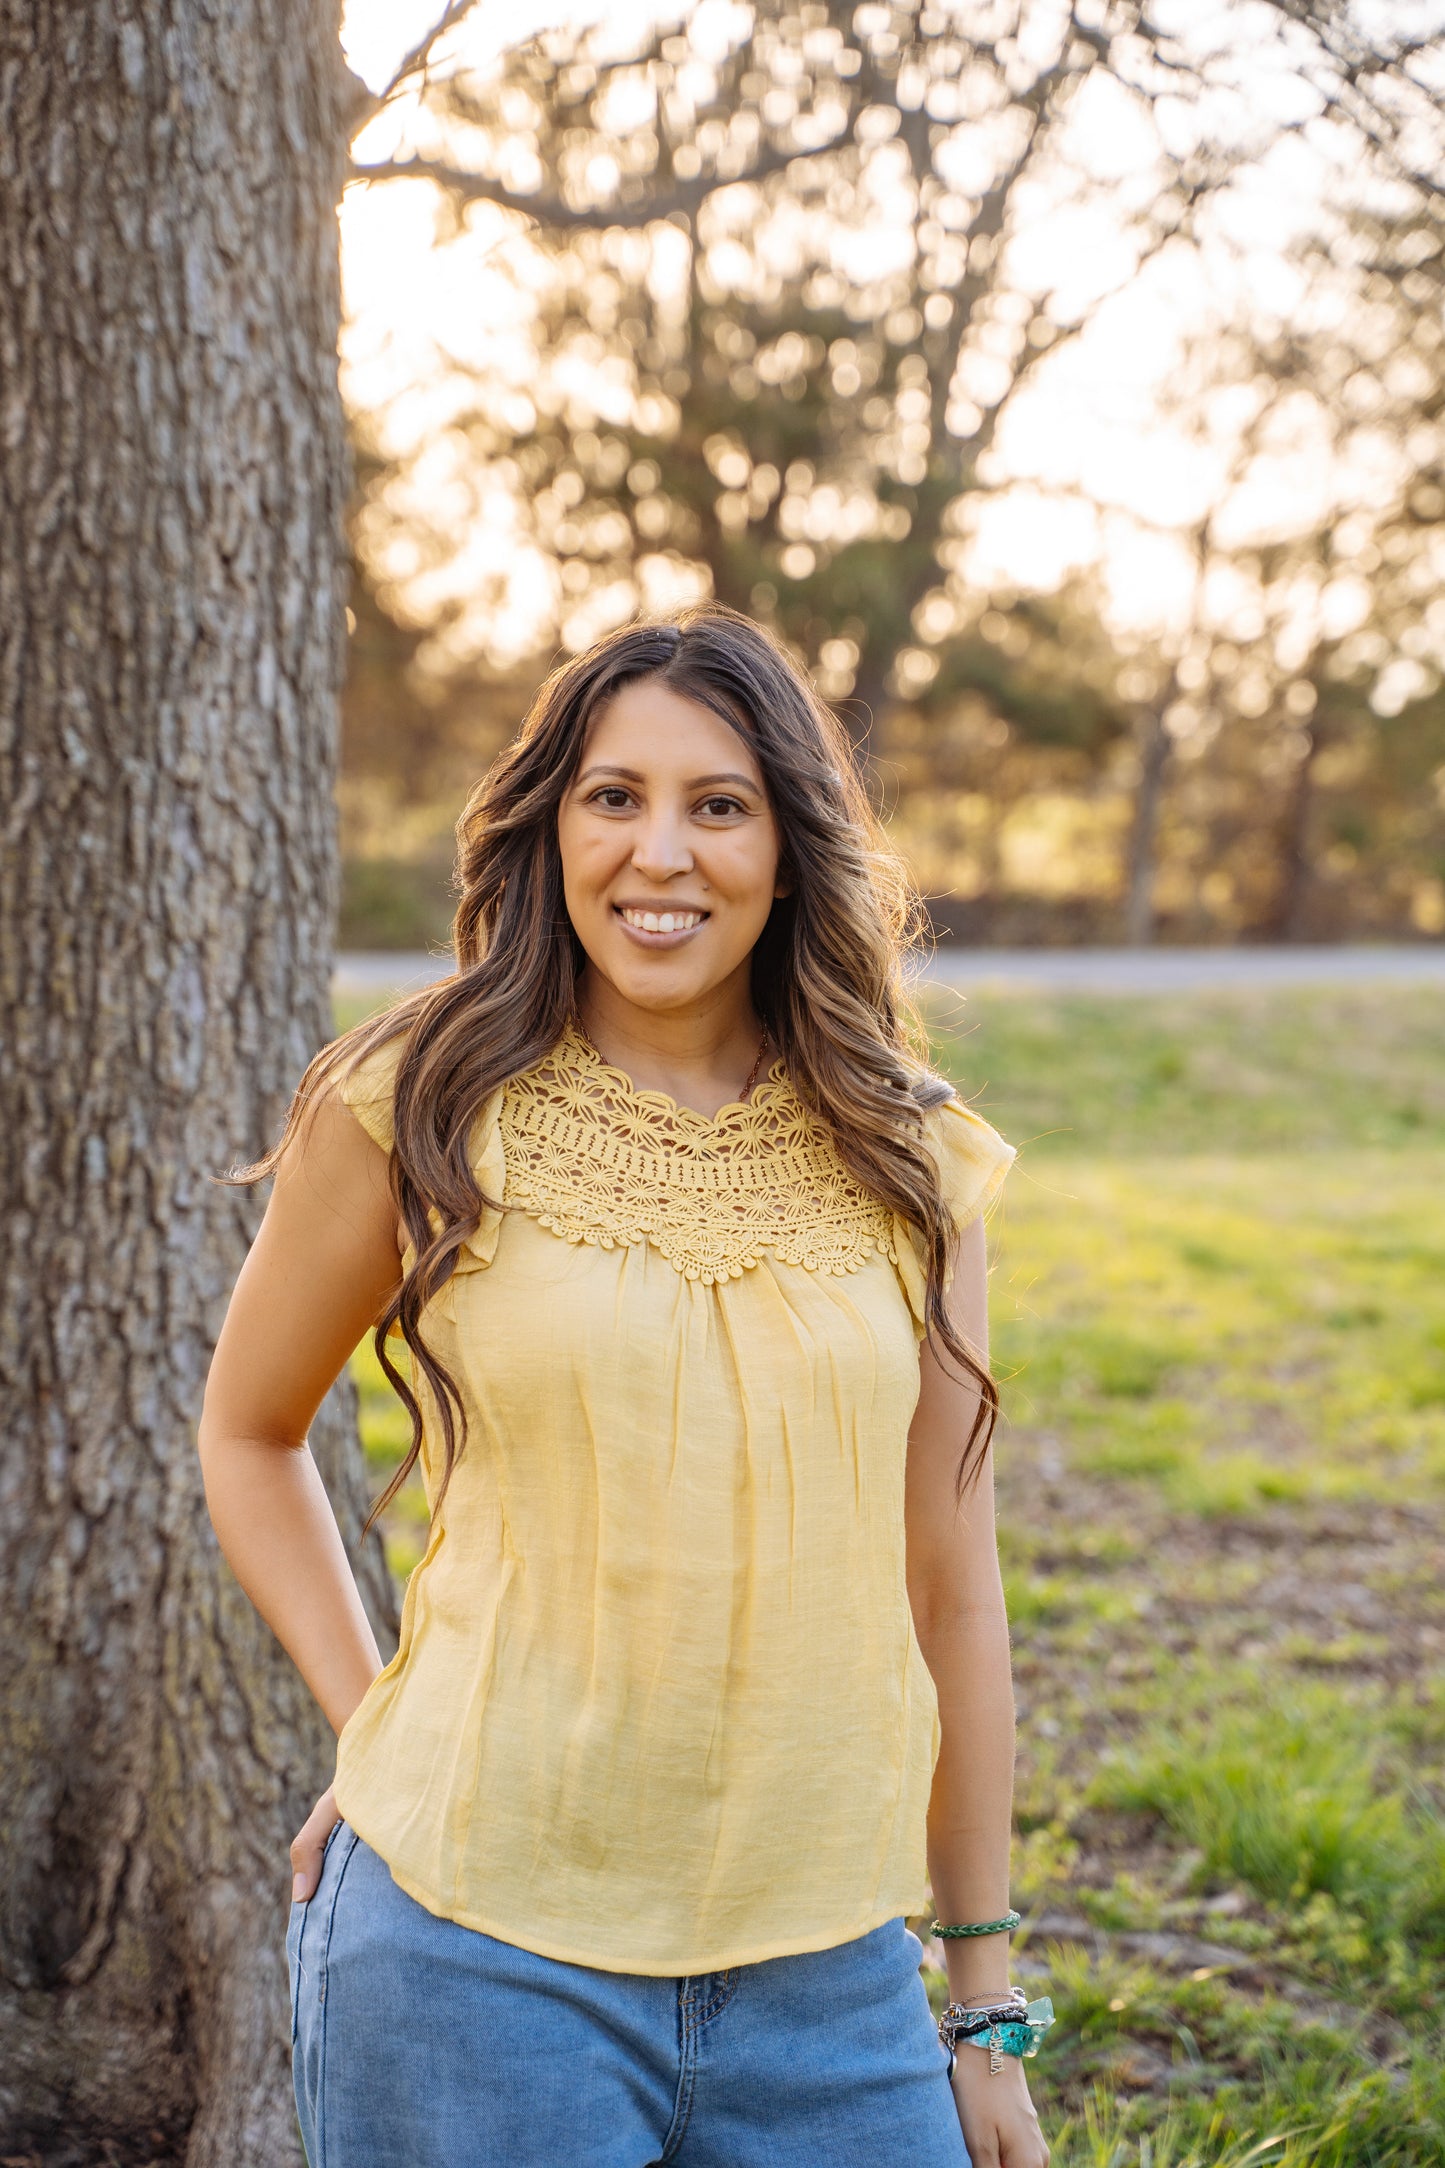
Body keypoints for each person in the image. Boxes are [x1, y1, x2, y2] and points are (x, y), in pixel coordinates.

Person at [199, 606, 1050, 2168]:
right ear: (552, 828)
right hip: (469, 1951)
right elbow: (250, 1435)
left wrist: (981, 2003)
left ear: (789, 848)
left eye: (716, 805)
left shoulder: (910, 1154)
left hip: (833, 1975)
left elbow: (955, 1589)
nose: (660, 853)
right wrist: (372, 1719)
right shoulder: (414, 1100)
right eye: (614, 797)